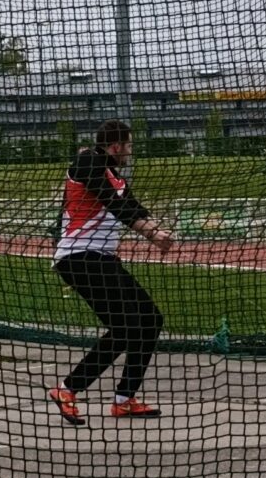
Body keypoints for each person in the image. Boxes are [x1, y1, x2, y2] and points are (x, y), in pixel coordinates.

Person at [50, 119, 174, 420]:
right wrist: (151, 234)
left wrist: (158, 229)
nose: (130, 151)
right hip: (79, 258)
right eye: (128, 145)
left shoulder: (115, 177)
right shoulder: (87, 162)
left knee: (149, 319)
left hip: (101, 259)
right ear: (116, 146)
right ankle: (67, 389)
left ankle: (124, 399)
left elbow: (131, 205)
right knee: (125, 327)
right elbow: (113, 204)